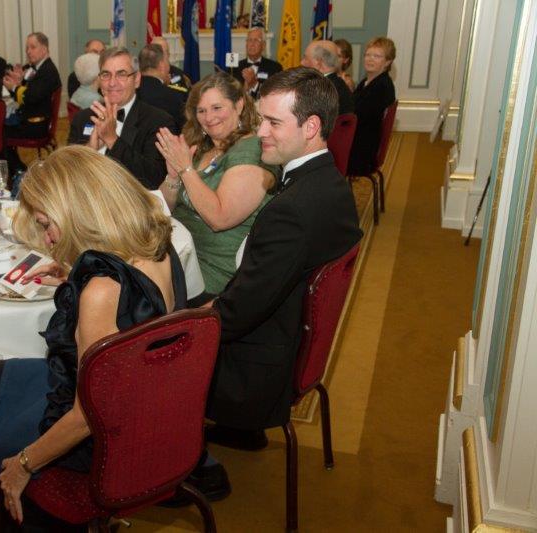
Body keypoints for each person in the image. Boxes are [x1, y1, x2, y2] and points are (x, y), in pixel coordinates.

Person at [0, 145, 186, 531]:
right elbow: (133, 304)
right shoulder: (154, 244)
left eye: (46, 224)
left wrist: (24, 465)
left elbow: (87, 415)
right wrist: (74, 274)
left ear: (78, 212)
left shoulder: (101, 291)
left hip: (99, 438)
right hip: (143, 405)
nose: (46, 239)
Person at [203, 67, 362, 453]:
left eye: (273, 122)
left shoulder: (293, 210)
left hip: (259, 367)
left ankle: (184, 462)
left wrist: (189, 322)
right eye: (261, 120)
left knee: (152, 332)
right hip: (287, 333)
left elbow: (239, 313)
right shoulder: (333, 183)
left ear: (311, 127)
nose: (260, 131)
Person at [155, 72, 278, 294]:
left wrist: (185, 170)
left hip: (210, 272)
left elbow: (219, 218)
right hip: (175, 252)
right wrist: (173, 176)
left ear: (239, 105)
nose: (209, 117)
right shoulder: (201, 148)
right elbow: (165, 209)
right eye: (201, 110)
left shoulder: (252, 150)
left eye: (217, 108)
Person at [68, 47, 175, 190]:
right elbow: (66, 174)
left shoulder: (159, 122)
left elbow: (153, 179)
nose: (112, 83)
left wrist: (113, 140)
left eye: (121, 74)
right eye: (106, 75)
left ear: (136, 80)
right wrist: (90, 149)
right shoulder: (82, 119)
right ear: (99, 80)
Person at [2, 32, 62, 172]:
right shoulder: (40, 68)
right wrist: (19, 82)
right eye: (27, 48)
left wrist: (14, 87)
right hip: (33, 120)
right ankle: (17, 167)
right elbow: (30, 93)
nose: (28, 51)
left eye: (33, 47)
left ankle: (18, 170)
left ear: (44, 49)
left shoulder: (47, 71)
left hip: (36, 126)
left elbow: (31, 97)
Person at [347, 37, 397, 177]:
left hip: (361, 152)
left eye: (377, 56)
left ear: (387, 62)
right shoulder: (368, 81)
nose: (370, 59)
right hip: (359, 141)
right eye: (368, 55)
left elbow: (357, 116)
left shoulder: (382, 87)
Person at [137, 43, 187, 131]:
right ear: (161, 65)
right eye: (167, 61)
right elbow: (184, 129)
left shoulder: (131, 92)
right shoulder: (172, 97)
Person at [301, 40, 354, 115]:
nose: (302, 63)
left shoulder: (324, 90)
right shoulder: (337, 84)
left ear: (318, 62)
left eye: (305, 58)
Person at [232, 28, 282, 99]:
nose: (252, 44)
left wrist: (254, 84)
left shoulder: (275, 68)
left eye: (256, 40)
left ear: (263, 45)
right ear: (246, 44)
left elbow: (274, 95)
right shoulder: (235, 67)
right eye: (250, 40)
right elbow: (230, 95)